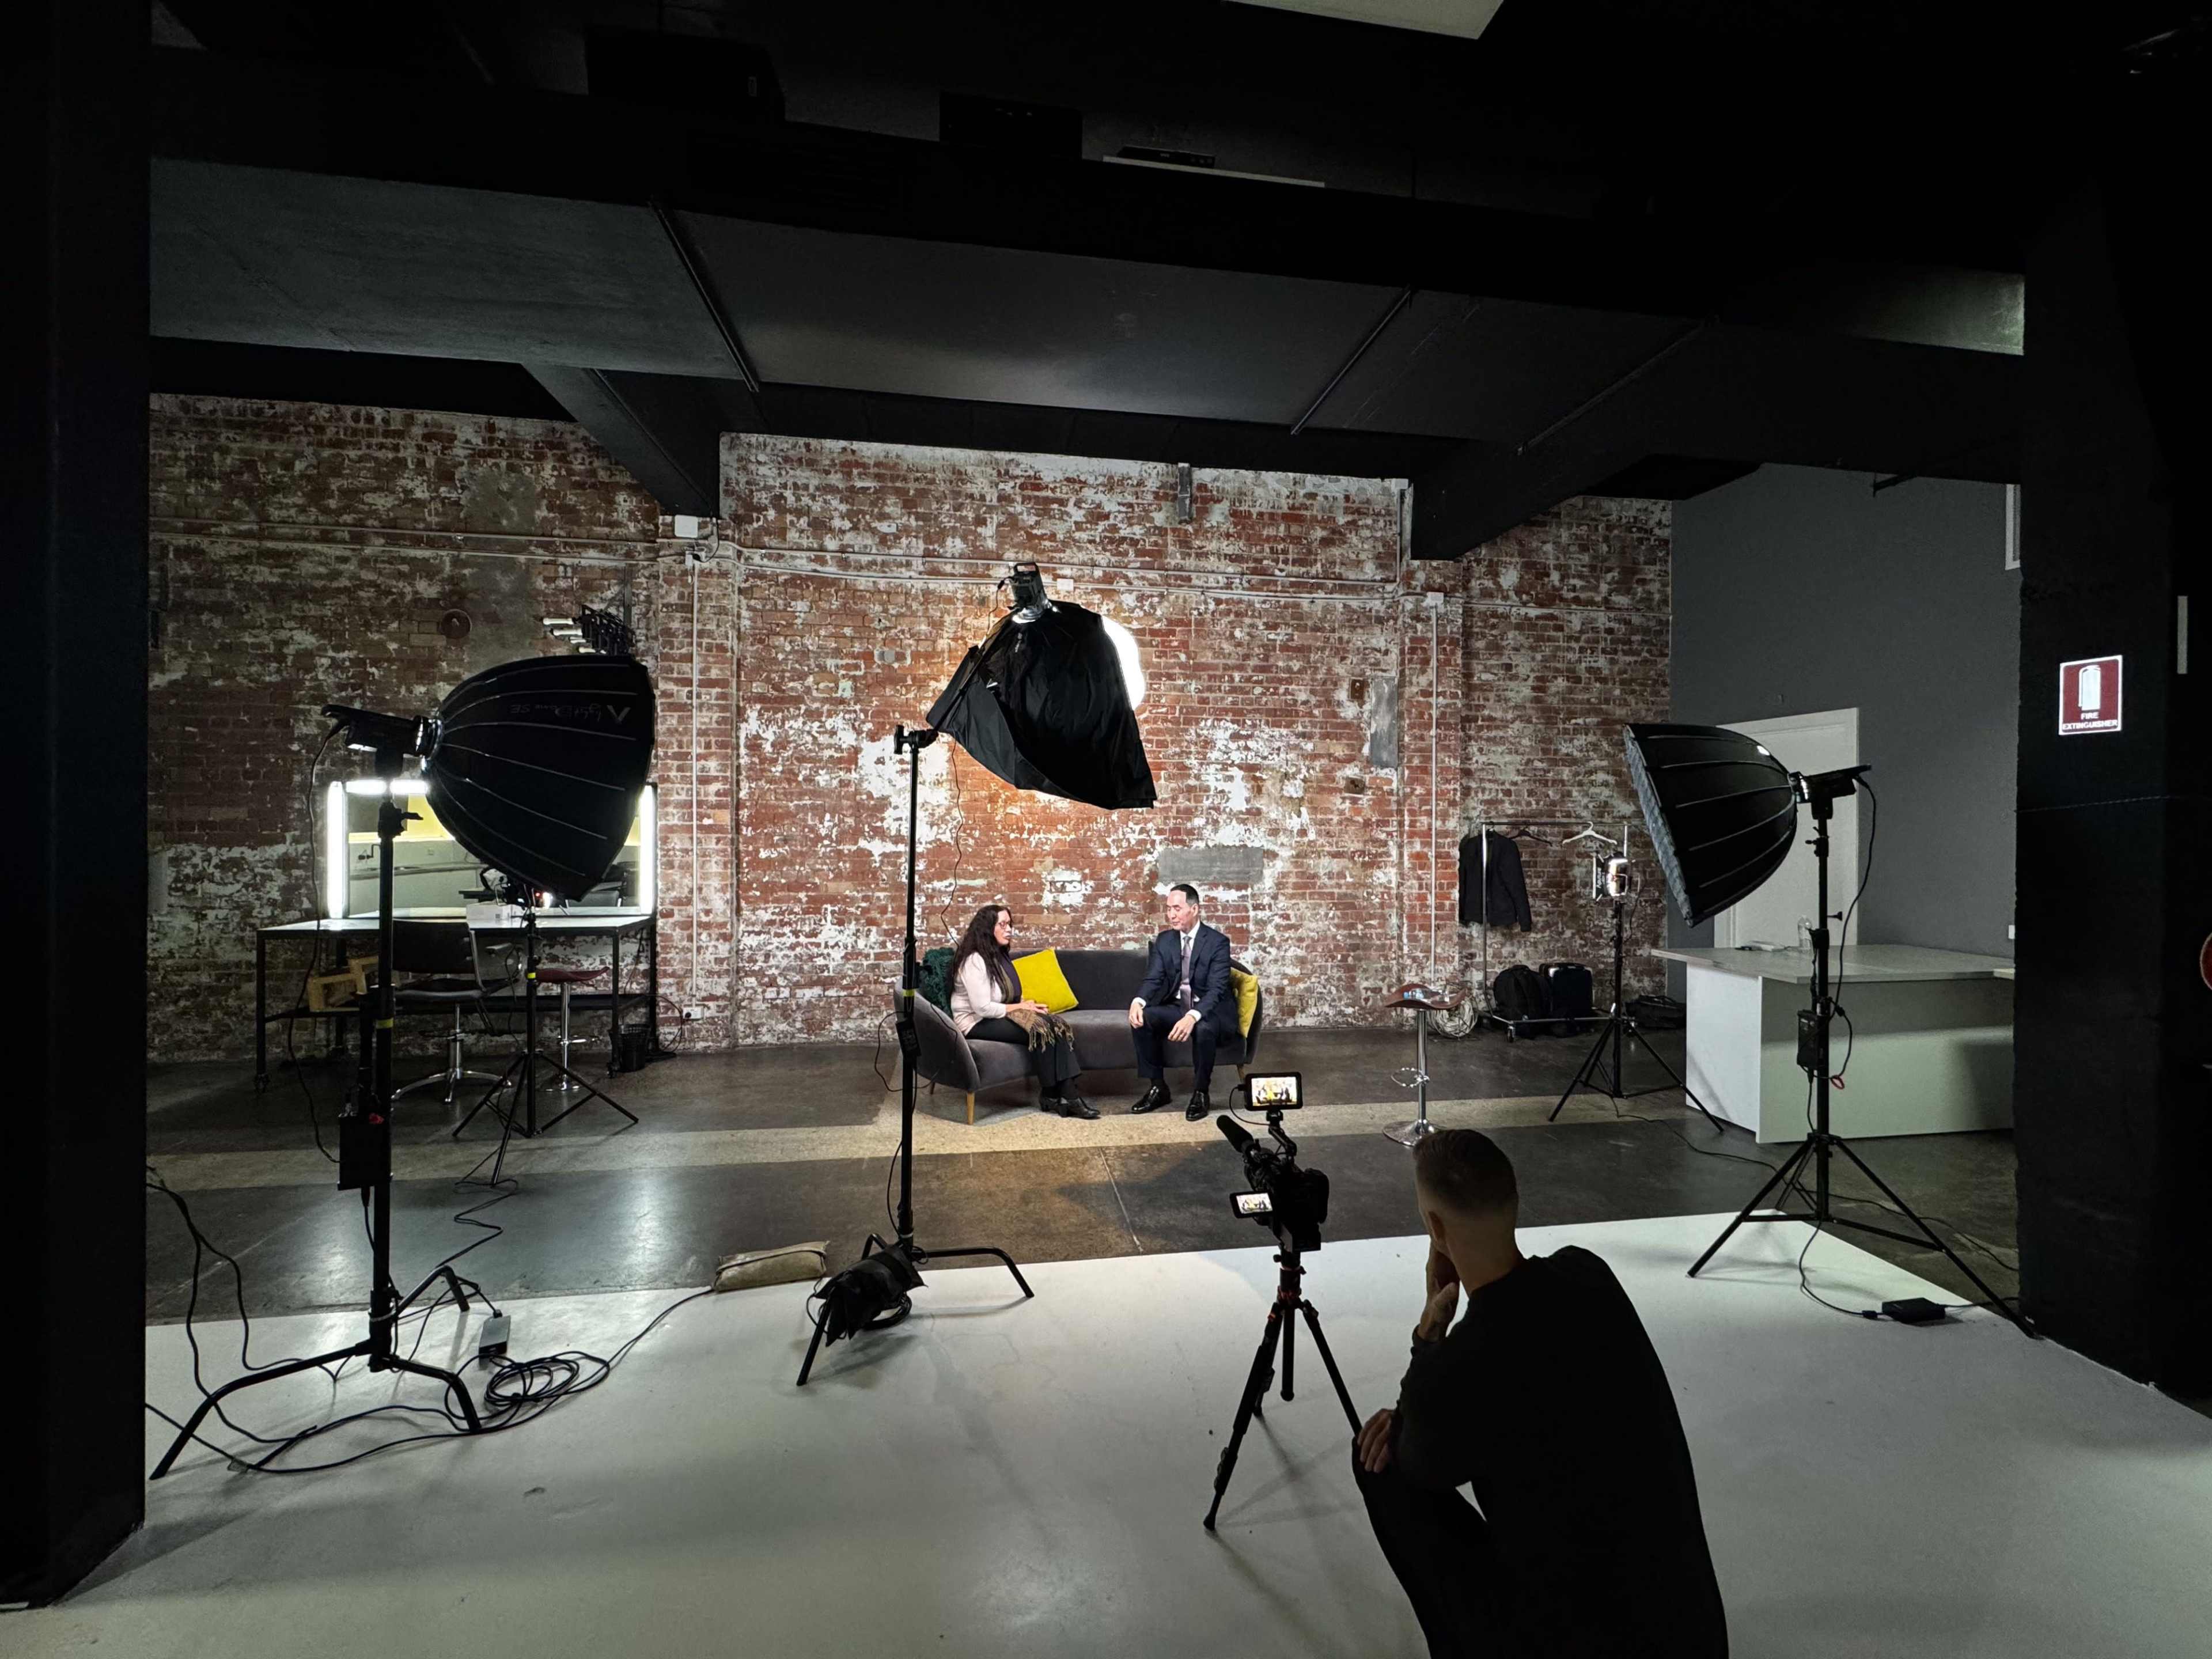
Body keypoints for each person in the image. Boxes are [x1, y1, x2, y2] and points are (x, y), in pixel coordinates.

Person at [1352, 1129, 1728, 1659]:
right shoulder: (1589, 1272)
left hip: (1580, 1642)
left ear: (1435, 1229)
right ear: (1515, 1201)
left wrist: (1427, 1339)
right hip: (1694, 1634)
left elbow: (1417, 1463)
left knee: (1379, 1459)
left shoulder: (1464, 1362)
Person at [949, 904, 1095, 1119]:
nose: (1009, 930)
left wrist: (1029, 1006)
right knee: (1041, 1029)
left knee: (1053, 1024)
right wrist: (1020, 1008)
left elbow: (1005, 996)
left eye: (1010, 924)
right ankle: (1067, 1096)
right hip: (975, 1022)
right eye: (1003, 925)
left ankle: (1052, 1095)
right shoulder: (975, 960)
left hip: (995, 1015)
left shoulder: (997, 956)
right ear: (988, 929)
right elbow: (982, 1007)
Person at [1126, 882, 1237, 1122]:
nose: (1171, 915)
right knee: (1142, 1019)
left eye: (1177, 908)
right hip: (1178, 1007)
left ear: (1195, 909)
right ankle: (1158, 1087)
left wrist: (1193, 1016)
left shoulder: (1218, 942)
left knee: (1204, 1028)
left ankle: (1201, 1092)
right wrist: (1138, 1001)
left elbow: (1217, 990)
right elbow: (1154, 978)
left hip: (1211, 1011)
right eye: (1168, 909)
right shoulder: (1165, 940)